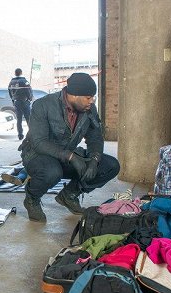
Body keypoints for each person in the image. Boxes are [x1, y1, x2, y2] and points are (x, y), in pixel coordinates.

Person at [19, 73, 120, 222]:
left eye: (93, 97)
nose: (91, 101)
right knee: (52, 172)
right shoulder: (42, 105)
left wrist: (94, 160)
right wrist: (71, 157)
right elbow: (39, 142)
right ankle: (32, 199)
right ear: (73, 96)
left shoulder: (89, 109)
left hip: (67, 155)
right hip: (37, 155)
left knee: (110, 166)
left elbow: (95, 137)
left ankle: (69, 195)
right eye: (88, 97)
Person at [8, 68, 33, 140]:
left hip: (16, 102)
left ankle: (20, 135)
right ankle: (31, 134)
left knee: (19, 120)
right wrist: (29, 99)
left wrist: (13, 101)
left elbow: (10, 92)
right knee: (28, 118)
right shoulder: (24, 81)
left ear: (15, 73)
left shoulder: (11, 82)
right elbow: (29, 91)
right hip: (25, 102)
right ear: (21, 73)